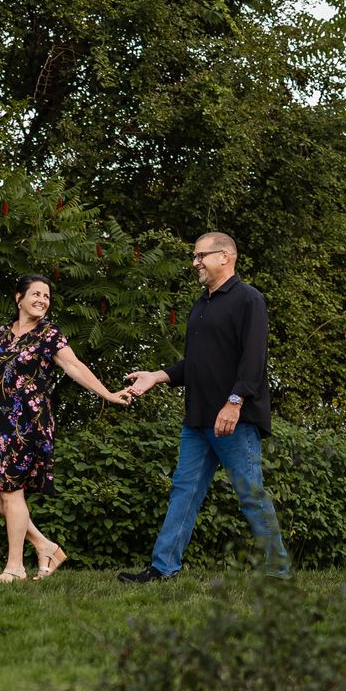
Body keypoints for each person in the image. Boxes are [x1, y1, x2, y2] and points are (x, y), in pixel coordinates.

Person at [120, 232, 290, 582]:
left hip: (234, 419)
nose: (195, 262)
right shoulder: (202, 304)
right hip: (198, 419)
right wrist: (157, 375)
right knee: (184, 491)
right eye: (194, 256)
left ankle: (279, 570)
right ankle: (163, 568)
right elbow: (196, 365)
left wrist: (234, 402)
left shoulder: (248, 299)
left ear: (225, 256)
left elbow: (254, 360)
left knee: (250, 495)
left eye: (201, 256)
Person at [0, 273, 134, 582]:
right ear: (19, 298)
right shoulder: (3, 334)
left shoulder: (49, 333)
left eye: (47, 296)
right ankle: (46, 545)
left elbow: (74, 366)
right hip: (0, 423)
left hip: (28, 423)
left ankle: (15, 567)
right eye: (36, 294)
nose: (42, 300)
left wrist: (107, 393)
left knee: (12, 493)